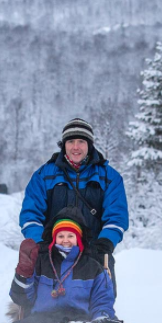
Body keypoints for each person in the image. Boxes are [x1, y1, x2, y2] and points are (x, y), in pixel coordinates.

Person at [17, 117, 129, 293]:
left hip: (95, 251)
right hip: (52, 249)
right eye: (70, 141)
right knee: (42, 304)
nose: (75, 147)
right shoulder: (44, 175)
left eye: (81, 141)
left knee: (99, 302)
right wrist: (41, 244)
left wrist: (105, 243)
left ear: (89, 145)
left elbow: (117, 216)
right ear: (63, 145)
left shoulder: (110, 177)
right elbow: (30, 214)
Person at [5, 208, 115, 323]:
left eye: (70, 236)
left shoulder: (93, 268)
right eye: (61, 236)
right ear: (54, 238)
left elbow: (102, 302)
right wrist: (23, 273)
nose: (65, 241)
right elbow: (22, 298)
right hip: (41, 320)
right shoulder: (41, 262)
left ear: (78, 238)